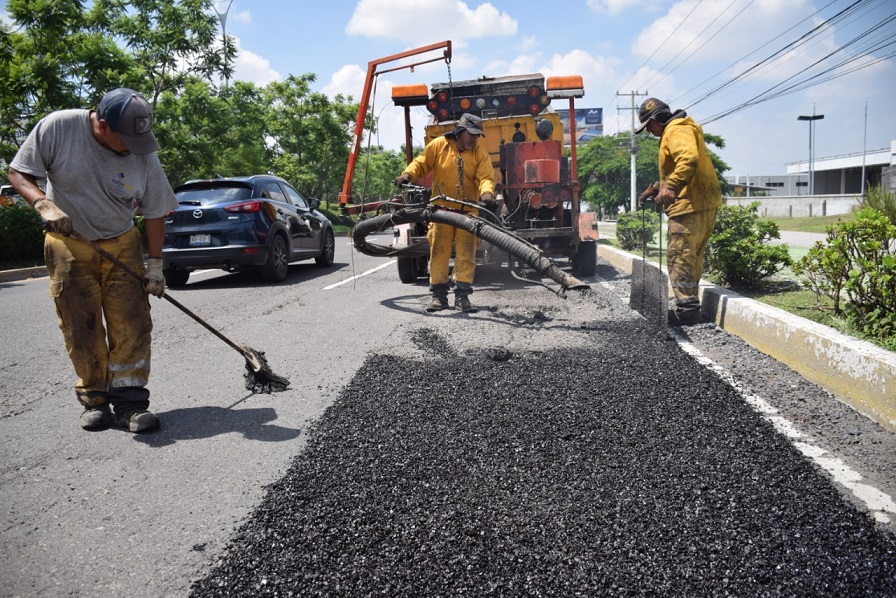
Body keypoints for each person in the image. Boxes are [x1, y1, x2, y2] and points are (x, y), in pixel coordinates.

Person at [7, 88, 178, 433]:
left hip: (122, 241)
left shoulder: (141, 149)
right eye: (125, 138)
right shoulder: (58, 128)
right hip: (69, 242)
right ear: (102, 125)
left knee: (132, 323)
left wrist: (155, 265)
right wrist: (42, 203)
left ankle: (130, 404)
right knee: (80, 326)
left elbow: (157, 210)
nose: (132, 147)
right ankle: (95, 400)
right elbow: (18, 172)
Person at [394, 113, 497, 313]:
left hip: (467, 213)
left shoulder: (479, 152)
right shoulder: (440, 145)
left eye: (478, 135)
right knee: (439, 252)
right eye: (472, 134)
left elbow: (486, 176)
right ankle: (439, 298)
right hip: (441, 211)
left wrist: (486, 195)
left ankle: (462, 298)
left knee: (466, 254)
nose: (474, 138)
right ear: (460, 131)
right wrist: (407, 175)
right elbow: (421, 162)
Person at [635, 97, 722, 325]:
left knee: (679, 256)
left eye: (648, 127)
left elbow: (688, 159)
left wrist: (672, 186)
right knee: (691, 256)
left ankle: (688, 311)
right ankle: (689, 305)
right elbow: (679, 165)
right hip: (703, 201)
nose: (649, 132)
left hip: (688, 205)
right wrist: (656, 188)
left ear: (654, 120)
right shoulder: (684, 127)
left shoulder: (675, 130)